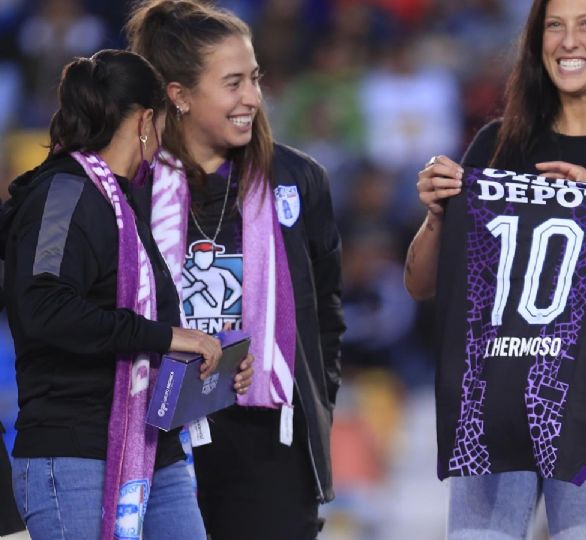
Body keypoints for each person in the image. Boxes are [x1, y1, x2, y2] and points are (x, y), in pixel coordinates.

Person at [404, 0, 586, 536]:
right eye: (554, 26)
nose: (568, 41)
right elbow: (421, 284)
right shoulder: (496, 145)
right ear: (537, 43)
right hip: (496, 372)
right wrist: (437, 215)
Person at [0, 49, 254, 540]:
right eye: (163, 121)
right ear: (144, 119)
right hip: (76, 454)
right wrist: (167, 338)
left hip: (154, 449)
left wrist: (209, 357)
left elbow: (137, 323)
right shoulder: (62, 196)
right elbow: (43, 307)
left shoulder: (125, 200)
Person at [125, 2, 346, 539]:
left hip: (271, 447)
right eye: (232, 83)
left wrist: (307, 397)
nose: (252, 98)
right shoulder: (131, 187)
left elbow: (326, 317)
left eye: (254, 78)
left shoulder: (298, 178)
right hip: (160, 441)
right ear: (179, 95)